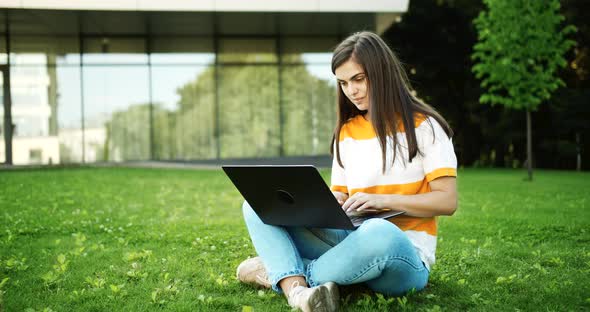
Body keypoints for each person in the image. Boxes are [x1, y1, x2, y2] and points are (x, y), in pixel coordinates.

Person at [236, 31, 458, 312]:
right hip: (349, 239)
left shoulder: (425, 127)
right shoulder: (347, 132)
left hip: (402, 254)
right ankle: (299, 294)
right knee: (255, 204)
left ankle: (282, 274)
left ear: (382, 74)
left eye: (358, 79)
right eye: (343, 83)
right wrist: (320, 203)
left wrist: (385, 202)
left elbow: (447, 201)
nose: (351, 90)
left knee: (380, 231)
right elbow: (338, 194)